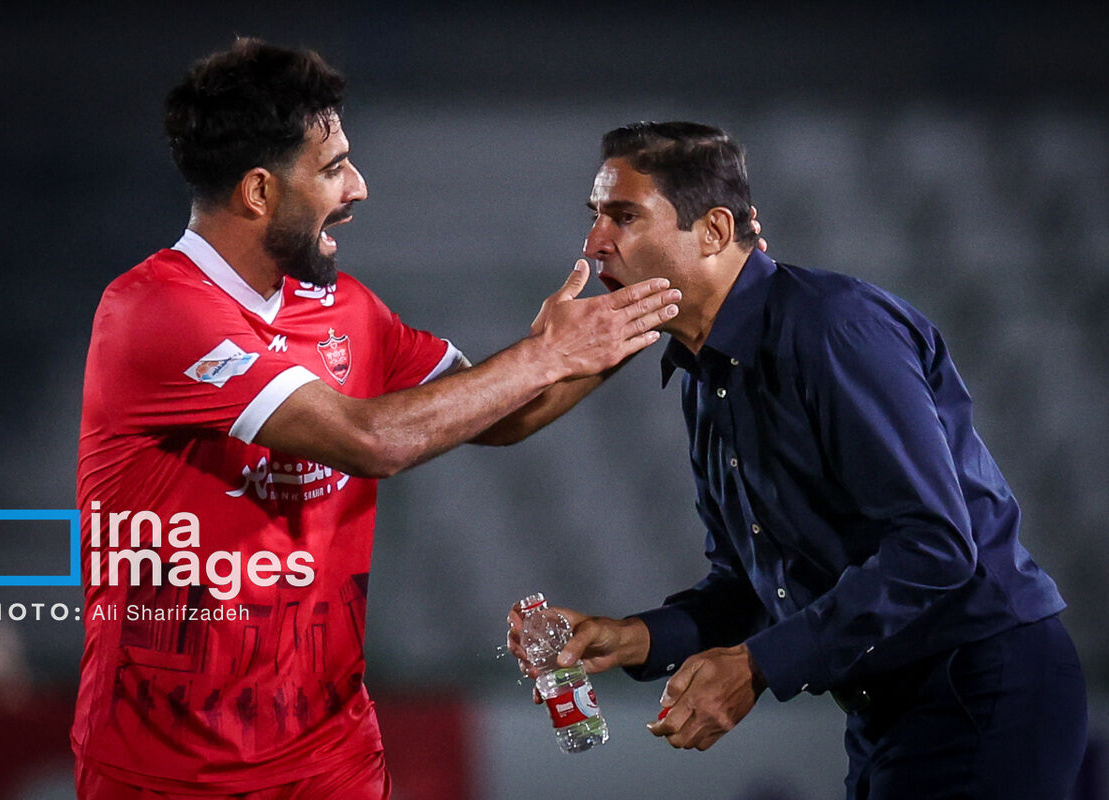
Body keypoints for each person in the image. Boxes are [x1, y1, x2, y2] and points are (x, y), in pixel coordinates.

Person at [72, 39, 683, 800]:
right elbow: (372, 441)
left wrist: (637, 316)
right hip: (167, 770)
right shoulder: (154, 310)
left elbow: (497, 413)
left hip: (332, 759)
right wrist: (546, 354)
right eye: (333, 168)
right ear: (258, 191)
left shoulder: (347, 310)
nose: (358, 187)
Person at [508, 121, 1087, 799]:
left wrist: (758, 665)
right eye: (595, 216)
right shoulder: (705, 375)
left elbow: (935, 547)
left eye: (624, 216)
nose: (594, 242)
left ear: (715, 231)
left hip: (981, 687)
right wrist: (628, 637)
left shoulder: (834, 329)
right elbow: (753, 588)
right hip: (891, 709)